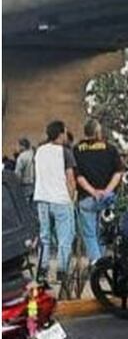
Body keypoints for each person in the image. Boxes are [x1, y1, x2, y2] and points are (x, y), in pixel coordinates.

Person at [73, 120, 124, 264]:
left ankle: (97, 262)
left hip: (87, 198)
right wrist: (106, 191)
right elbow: (118, 173)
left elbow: (78, 176)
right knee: (102, 233)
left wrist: (93, 191)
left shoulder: (77, 150)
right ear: (97, 132)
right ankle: (102, 265)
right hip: (107, 199)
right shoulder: (110, 149)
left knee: (89, 234)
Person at [33, 120, 77, 284]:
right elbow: (70, 178)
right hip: (60, 199)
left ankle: (41, 271)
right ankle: (62, 271)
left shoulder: (39, 151)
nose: (66, 135)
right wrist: (71, 198)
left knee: (45, 237)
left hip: (42, 198)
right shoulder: (65, 152)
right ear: (60, 134)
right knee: (64, 238)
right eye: (65, 132)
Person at [14, 137, 35, 202]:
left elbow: (18, 173)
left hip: (25, 185)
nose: (16, 148)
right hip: (35, 184)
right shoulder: (34, 154)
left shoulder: (21, 157)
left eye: (18, 145)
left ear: (22, 146)